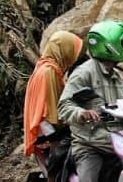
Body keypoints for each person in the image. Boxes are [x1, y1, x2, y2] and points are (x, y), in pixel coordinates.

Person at [57, 20, 123, 182]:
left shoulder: (115, 75)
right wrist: (81, 113)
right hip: (90, 147)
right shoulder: (83, 73)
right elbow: (64, 106)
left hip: (118, 142)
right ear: (111, 46)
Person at [24, 31, 84, 180]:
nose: (73, 56)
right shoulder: (48, 72)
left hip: (43, 129)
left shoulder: (46, 67)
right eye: (71, 50)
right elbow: (49, 110)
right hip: (48, 132)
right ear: (63, 50)